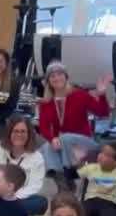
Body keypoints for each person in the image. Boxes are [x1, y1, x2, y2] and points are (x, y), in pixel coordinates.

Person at [37, 61, 111, 192]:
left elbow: (103, 113)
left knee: (65, 137)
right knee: (47, 147)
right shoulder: (45, 103)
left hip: (83, 143)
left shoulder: (80, 95)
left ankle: (68, 174)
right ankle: (64, 186)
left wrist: (102, 95)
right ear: (48, 81)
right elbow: (43, 127)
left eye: (60, 74)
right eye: (52, 76)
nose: (56, 78)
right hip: (63, 145)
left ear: (66, 77)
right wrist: (51, 138)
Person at [0, 115, 47, 216]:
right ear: (9, 133)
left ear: (29, 134)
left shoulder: (37, 157)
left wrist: (11, 197)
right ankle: (6, 211)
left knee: (41, 202)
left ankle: (0, 210)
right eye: (16, 131)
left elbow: (34, 186)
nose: (19, 134)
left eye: (23, 131)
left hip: (19, 199)